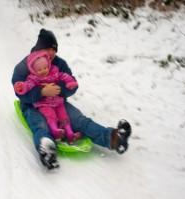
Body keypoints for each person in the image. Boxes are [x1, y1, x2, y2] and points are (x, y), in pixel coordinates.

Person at [12, 29, 132, 170]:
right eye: (47, 49)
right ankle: (47, 150)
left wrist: (60, 89)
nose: (51, 53)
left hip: (57, 103)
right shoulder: (24, 66)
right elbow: (20, 92)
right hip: (32, 105)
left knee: (79, 120)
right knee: (41, 125)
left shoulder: (59, 63)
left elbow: (72, 83)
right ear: (39, 48)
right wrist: (42, 92)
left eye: (54, 50)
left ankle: (114, 138)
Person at [13, 50, 81, 144]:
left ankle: (69, 133)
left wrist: (70, 82)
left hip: (58, 102)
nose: (43, 71)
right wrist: (21, 86)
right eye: (39, 70)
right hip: (44, 103)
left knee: (64, 116)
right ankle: (55, 131)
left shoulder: (54, 71)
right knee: (51, 116)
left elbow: (64, 76)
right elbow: (27, 85)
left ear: (48, 65)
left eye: (45, 68)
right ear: (34, 70)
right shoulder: (34, 78)